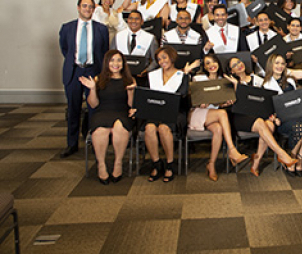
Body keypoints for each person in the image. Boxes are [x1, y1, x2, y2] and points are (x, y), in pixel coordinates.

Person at [260, 49, 302, 176]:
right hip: (283, 119)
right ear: (271, 65)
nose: (280, 66)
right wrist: (273, 118)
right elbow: (266, 108)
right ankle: (290, 158)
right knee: (300, 128)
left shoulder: (289, 75)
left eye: (282, 63)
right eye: (277, 63)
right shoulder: (266, 84)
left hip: (298, 113)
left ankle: (299, 158)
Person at [59, 0, 109, 158]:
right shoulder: (67, 28)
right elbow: (65, 50)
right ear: (78, 7)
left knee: (94, 109)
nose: (87, 9)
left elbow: (103, 52)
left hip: (92, 72)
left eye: (90, 7)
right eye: (84, 6)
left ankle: (95, 142)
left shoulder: (101, 29)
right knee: (74, 109)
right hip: (74, 72)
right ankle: (71, 144)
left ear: (94, 9)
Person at [141, 46, 198, 182]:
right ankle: (156, 163)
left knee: (163, 128)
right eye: (159, 59)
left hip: (175, 111)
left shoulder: (181, 75)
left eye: (164, 58)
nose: (162, 61)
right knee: (149, 128)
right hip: (155, 111)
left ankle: (170, 164)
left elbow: (183, 94)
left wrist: (186, 74)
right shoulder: (153, 75)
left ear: (172, 58)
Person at [189, 54, 249, 181]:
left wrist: (225, 103)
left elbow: (221, 102)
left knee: (218, 129)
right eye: (207, 63)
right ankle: (232, 150)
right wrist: (200, 102)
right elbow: (194, 100)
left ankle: (211, 164)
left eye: (213, 62)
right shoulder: (198, 78)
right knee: (222, 114)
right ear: (204, 67)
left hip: (213, 116)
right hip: (198, 113)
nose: (211, 65)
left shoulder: (224, 80)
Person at [79, 50, 135, 184]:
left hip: (122, 112)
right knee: (100, 131)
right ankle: (101, 165)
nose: (115, 64)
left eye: (119, 60)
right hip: (102, 112)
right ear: (107, 63)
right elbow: (93, 104)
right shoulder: (99, 79)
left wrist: (131, 92)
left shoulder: (130, 80)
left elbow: (131, 104)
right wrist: (92, 89)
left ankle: (118, 163)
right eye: (112, 60)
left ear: (123, 63)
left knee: (119, 129)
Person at [110, 10, 158, 80]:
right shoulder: (118, 36)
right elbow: (110, 56)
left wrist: (147, 71)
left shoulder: (150, 38)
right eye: (131, 18)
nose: (133, 21)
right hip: (120, 76)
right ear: (127, 20)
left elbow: (156, 59)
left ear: (142, 22)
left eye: (137, 19)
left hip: (141, 77)